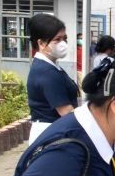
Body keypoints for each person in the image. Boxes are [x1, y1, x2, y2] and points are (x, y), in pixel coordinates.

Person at [25, 13, 79, 144]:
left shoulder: (50, 67)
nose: (63, 43)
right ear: (41, 43)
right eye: (57, 39)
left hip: (53, 132)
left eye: (64, 38)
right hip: (51, 134)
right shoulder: (46, 72)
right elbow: (66, 112)